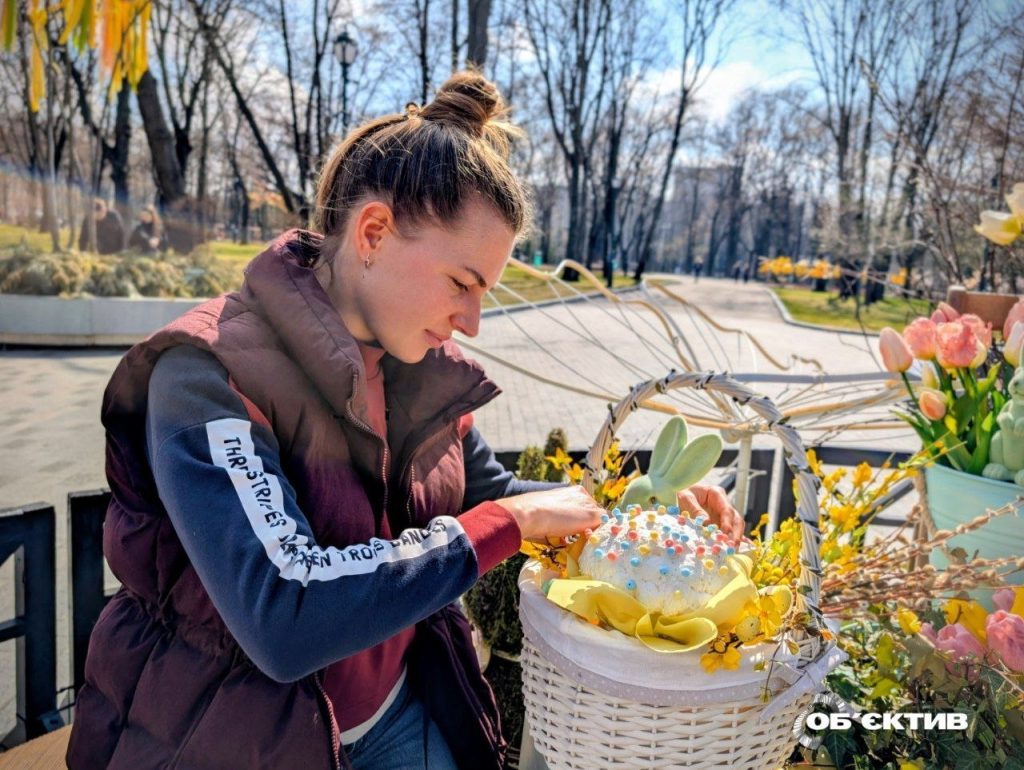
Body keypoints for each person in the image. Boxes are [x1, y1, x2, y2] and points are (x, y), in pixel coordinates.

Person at [67, 72, 744, 770]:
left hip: (401, 712)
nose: (472, 322)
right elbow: (283, 615)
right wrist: (502, 525)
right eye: (461, 284)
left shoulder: (421, 370)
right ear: (374, 233)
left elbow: (496, 496)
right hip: (232, 737)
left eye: (484, 293)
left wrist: (648, 516)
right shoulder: (206, 374)